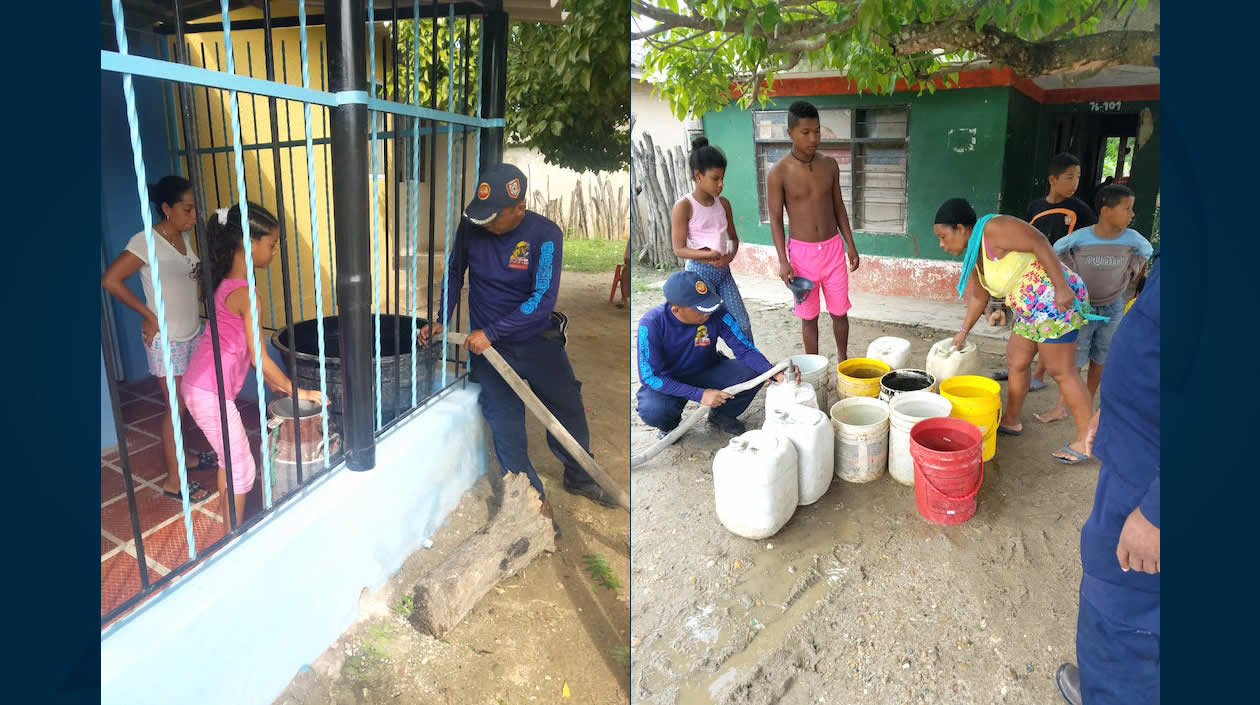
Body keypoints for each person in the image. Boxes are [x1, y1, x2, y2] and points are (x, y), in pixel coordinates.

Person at [417, 163, 617, 510]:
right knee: (504, 419)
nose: (485, 224)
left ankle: (579, 476)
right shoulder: (472, 226)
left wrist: (491, 332)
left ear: (519, 208)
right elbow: (454, 272)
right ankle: (528, 500)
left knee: (566, 407)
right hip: (488, 349)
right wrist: (441, 319)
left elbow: (541, 301)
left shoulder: (546, 235)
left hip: (535, 340)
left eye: (493, 218)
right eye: (481, 217)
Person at [1055, 254, 1160, 705]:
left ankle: (1115, 692)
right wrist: (1115, 408)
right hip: (1142, 447)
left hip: (1151, 480)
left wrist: (1158, 512)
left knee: (1124, 600)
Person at [181, 203, 325, 525]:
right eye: (271, 244)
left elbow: (241, 350)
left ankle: (230, 526)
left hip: (202, 386)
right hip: (208, 392)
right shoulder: (246, 293)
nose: (273, 252)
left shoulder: (229, 284)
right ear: (248, 243)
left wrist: (276, 386)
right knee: (241, 466)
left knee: (230, 460)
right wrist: (297, 390)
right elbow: (258, 356)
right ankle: (232, 536)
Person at [933, 198, 1101, 465]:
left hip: (1053, 298)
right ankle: (1011, 420)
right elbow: (978, 299)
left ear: (963, 228)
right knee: (1017, 359)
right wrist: (962, 333)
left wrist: (1061, 287)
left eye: (943, 236)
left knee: (1061, 370)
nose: (942, 244)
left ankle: (1086, 440)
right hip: (1028, 307)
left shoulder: (993, 229)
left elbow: (1039, 242)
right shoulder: (974, 257)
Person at [101, 175, 215, 502]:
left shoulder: (183, 238)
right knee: (175, 408)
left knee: (187, 403)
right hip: (169, 340)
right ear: (166, 208)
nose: (194, 216)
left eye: (195, 210)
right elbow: (111, 280)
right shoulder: (145, 241)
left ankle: (188, 460)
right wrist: (149, 315)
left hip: (191, 334)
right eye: (187, 209)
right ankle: (173, 482)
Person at [1036, 184, 1153, 424]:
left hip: (1112, 307)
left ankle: (1086, 401)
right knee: (1074, 361)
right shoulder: (1080, 237)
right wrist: (1071, 272)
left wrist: (1131, 269)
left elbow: (1147, 252)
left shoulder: (1133, 239)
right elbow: (1056, 250)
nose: (1132, 215)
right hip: (1083, 310)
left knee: (1100, 357)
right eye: (1127, 209)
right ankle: (1061, 407)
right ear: (1106, 211)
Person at [636, 271, 783, 438]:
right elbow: (650, 377)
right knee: (654, 410)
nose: (708, 313)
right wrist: (700, 394)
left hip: (706, 369)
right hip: (670, 379)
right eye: (700, 310)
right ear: (676, 310)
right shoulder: (651, 324)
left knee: (754, 370)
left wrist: (772, 371)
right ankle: (669, 426)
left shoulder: (715, 311)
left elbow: (745, 348)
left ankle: (721, 415)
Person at [768, 101, 860, 360]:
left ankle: (843, 361)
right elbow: (775, 219)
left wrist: (850, 244)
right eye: (806, 132)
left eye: (817, 131)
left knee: (840, 312)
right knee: (809, 318)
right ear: (790, 133)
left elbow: (839, 206)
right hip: (801, 257)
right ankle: (815, 367)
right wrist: (783, 261)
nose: (813, 138)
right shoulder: (778, 173)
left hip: (833, 250)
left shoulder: (830, 165)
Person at [1009, 153, 1099, 391]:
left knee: (1052, 329)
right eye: (1069, 177)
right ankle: (1024, 370)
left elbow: (1091, 242)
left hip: (1063, 280)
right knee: (1029, 325)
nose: (1075, 183)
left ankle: (1038, 374)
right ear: (1053, 179)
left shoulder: (1081, 211)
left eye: (1077, 178)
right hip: (1035, 280)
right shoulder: (1035, 208)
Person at [671, 137, 753, 339]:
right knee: (703, 327)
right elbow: (678, 249)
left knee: (741, 321)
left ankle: (754, 366)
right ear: (698, 176)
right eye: (715, 178)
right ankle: (705, 364)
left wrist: (728, 258)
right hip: (699, 274)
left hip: (723, 272)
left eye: (723, 178)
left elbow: (733, 238)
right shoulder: (684, 206)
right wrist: (707, 255)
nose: (721, 184)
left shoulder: (723, 204)